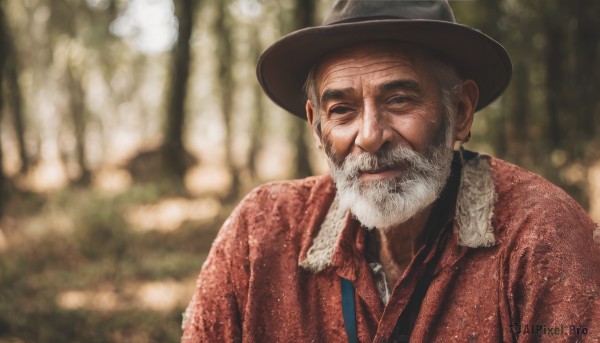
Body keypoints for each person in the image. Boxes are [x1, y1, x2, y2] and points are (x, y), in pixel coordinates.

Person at [182, 1, 600, 342]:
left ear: (459, 111)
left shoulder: (538, 236)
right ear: (316, 127)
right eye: (342, 110)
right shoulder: (261, 234)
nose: (370, 136)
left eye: (399, 99)